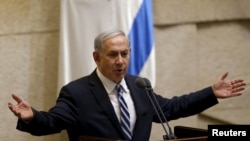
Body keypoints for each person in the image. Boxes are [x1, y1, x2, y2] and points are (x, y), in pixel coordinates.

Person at [8, 29, 246, 141]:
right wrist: (31, 117)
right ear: (96, 57)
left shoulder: (139, 86)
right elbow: (53, 122)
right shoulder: (77, 92)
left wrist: (211, 93)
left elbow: (172, 108)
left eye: (125, 53)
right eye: (113, 54)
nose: (120, 61)